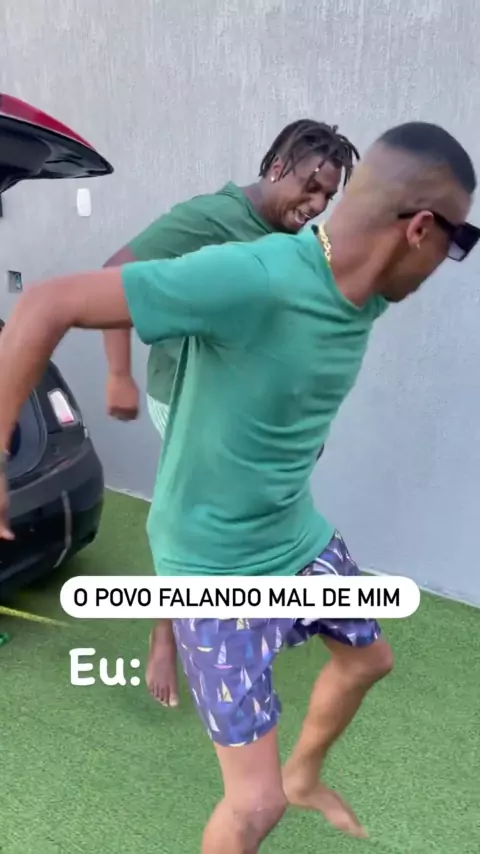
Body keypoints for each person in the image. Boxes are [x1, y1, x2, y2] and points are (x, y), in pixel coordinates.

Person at [0, 121, 477, 853]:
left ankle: (305, 774)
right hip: (213, 563)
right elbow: (45, 305)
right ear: (419, 230)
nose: (450, 258)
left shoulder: (368, 291)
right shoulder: (255, 276)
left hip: (294, 533)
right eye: (457, 241)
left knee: (368, 659)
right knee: (253, 807)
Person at [102, 119, 360, 708]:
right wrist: (118, 373)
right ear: (277, 168)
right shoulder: (210, 219)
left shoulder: (296, 240)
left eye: (328, 196)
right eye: (310, 187)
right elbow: (114, 272)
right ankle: (167, 634)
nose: (316, 206)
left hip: (253, 407)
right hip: (187, 396)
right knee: (199, 521)